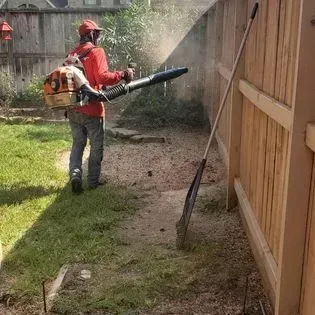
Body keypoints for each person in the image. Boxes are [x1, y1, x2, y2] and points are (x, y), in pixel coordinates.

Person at [65, 19, 135, 194]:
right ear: (91, 35)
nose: (99, 36)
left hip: (73, 109)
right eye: (97, 33)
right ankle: (93, 182)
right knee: (96, 146)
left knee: (78, 144)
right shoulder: (97, 52)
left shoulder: (72, 55)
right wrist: (124, 74)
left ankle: (75, 174)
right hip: (93, 110)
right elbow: (103, 77)